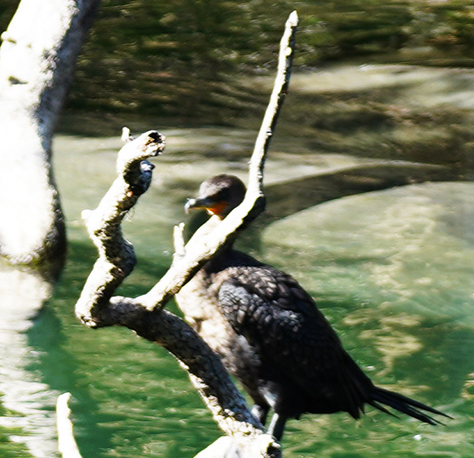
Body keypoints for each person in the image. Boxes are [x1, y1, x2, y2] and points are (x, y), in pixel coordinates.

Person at [172, 172, 453, 430]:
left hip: (307, 385)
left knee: (272, 397)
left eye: (218, 199)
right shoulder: (213, 261)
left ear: (236, 206)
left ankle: (267, 444)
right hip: (259, 381)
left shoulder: (235, 289)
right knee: (259, 398)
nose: (206, 203)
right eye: (206, 198)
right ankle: (253, 425)